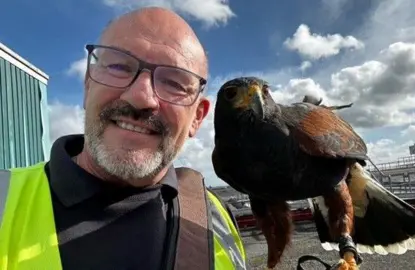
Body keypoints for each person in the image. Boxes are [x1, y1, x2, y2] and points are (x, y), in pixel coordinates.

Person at [0, 7, 247, 270]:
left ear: (197, 118)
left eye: (175, 82)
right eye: (119, 66)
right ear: (87, 84)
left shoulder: (217, 220)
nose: (141, 97)